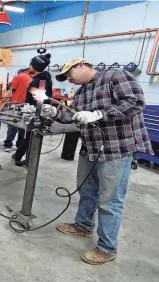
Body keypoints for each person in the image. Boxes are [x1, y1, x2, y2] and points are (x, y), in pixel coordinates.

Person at [34, 58, 153, 265]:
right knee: (87, 191)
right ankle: (84, 226)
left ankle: (107, 247)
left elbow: (135, 102)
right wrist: (55, 113)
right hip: (90, 149)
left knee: (110, 200)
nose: (69, 81)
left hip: (116, 151)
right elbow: (72, 116)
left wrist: (99, 114)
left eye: (69, 75)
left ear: (81, 65)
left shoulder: (115, 76)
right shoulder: (82, 92)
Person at [12, 53, 53, 167]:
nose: (29, 66)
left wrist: (31, 111)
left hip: (37, 113)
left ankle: (28, 160)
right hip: (40, 111)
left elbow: (38, 100)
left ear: (35, 66)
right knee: (30, 136)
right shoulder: (45, 79)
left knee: (32, 137)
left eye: (31, 64)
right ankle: (18, 155)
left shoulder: (39, 81)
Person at [0, 67, 33, 152]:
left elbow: (12, 87)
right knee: (22, 125)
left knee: (12, 124)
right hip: (26, 106)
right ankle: (19, 144)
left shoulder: (19, 76)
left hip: (16, 104)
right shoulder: (32, 78)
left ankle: (8, 145)